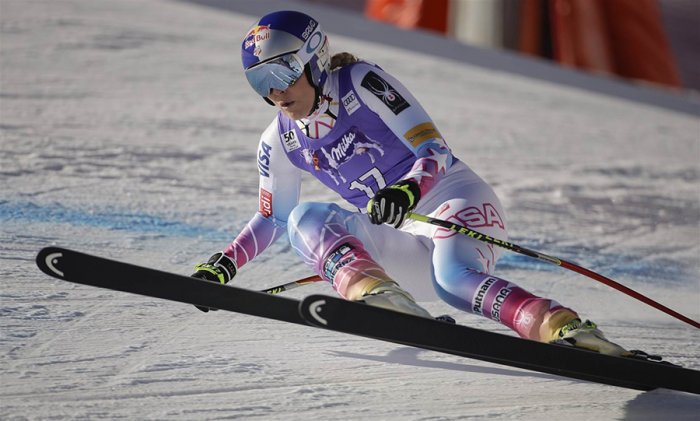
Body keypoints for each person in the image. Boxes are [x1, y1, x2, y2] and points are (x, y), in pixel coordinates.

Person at [192, 10, 630, 356]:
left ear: (314, 59)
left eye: (283, 73)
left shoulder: (361, 83)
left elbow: (433, 149)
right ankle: (379, 296)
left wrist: (407, 190)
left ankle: (563, 328)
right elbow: (272, 217)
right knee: (304, 218)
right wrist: (223, 265)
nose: (276, 93)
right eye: (260, 82)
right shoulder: (281, 140)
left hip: (453, 204)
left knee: (454, 279)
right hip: (401, 238)